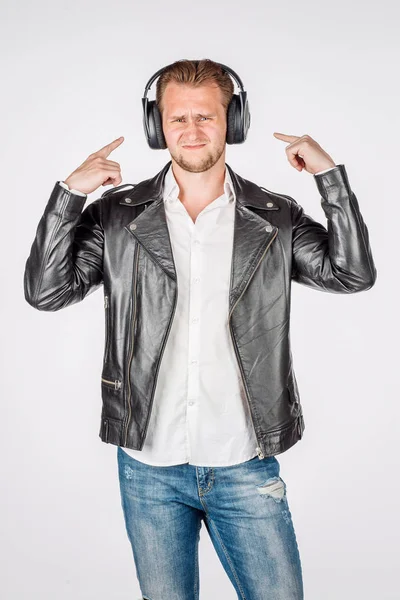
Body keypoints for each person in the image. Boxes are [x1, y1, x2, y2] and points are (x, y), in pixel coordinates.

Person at [24, 59, 377, 600]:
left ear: (232, 122)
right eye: (177, 119)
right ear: (157, 127)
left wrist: (331, 179)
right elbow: (48, 292)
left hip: (244, 463)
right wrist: (69, 194)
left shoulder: (273, 217)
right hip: (149, 469)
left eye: (206, 117)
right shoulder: (117, 217)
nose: (191, 131)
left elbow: (351, 274)